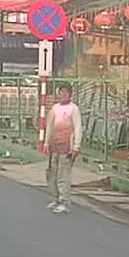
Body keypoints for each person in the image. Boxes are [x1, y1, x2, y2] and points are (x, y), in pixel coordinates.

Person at [45, 84, 83, 214]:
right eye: (61, 92)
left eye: (66, 93)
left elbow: (78, 128)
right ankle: (54, 198)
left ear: (70, 95)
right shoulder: (55, 108)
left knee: (63, 175)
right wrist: (46, 142)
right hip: (54, 146)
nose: (63, 95)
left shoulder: (74, 109)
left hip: (67, 148)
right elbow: (49, 126)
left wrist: (76, 146)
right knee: (52, 173)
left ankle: (64, 200)